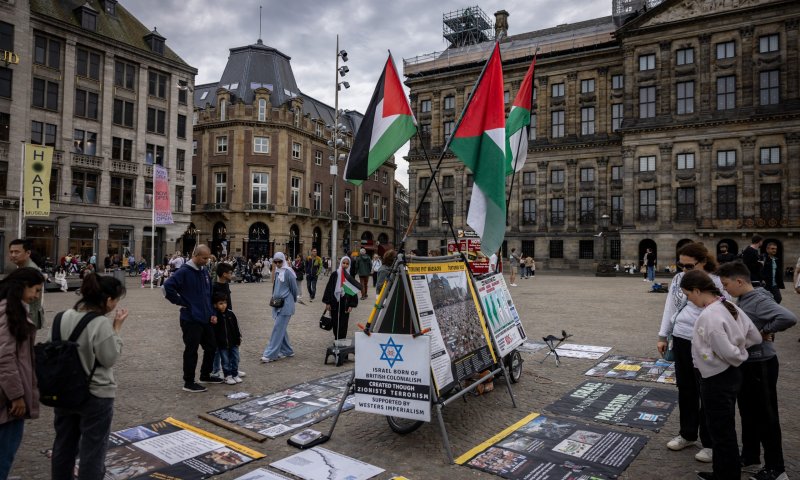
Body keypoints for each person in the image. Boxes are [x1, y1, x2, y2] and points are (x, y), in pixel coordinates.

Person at [716, 261, 795, 480]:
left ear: (739, 281)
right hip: (747, 363)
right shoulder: (743, 297)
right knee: (748, 412)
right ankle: (750, 455)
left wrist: (762, 332)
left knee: (767, 416)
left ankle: (776, 468)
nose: (725, 289)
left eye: (726, 284)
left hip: (761, 364)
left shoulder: (758, 299)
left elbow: (788, 317)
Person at [679, 269, 761, 480]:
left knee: (721, 430)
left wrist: (737, 353)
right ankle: (723, 471)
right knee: (722, 428)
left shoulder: (710, 315)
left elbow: (728, 352)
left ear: (697, 291)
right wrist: (740, 347)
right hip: (727, 375)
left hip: (717, 377)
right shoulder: (728, 305)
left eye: (688, 295)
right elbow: (755, 335)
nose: (689, 300)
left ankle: (726, 475)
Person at [50, 273, 128, 480]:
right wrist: (117, 329)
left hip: (64, 391)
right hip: (95, 393)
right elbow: (109, 358)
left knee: (63, 446)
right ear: (108, 300)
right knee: (93, 450)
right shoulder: (100, 323)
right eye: (116, 299)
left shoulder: (61, 317)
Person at [657, 242, 722, 464]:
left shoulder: (717, 281)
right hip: (682, 339)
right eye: (681, 265)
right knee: (686, 388)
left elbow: (726, 311)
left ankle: (711, 442)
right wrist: (663, 335)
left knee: (707, 391)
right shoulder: (677, 279)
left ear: (703, 262)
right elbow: (670, 307)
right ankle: (687, 434)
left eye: (689, 266)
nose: (683, 270)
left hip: (706, 342)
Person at [0, 268, 45, 478]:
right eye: (35, 290)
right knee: (4, 454)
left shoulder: (14, 308)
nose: (36, 296)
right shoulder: (7, 311)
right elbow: (5, 357)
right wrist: (16, 396)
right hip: (7, 399)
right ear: (23, 286)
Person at [162, 245, 221, 393]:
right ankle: (188, 382)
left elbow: (208, 294)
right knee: (191, 350)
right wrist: (181, 302)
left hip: (206, 317)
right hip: (191, 318)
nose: (207, 261)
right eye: (204, 258)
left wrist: (212, 312)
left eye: (208, 258)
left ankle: (205, 375)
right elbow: (167, 287)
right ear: (196, 255)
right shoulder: (184, 271)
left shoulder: (204, 271)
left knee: (211, 346)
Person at [261, 252, 297, 363]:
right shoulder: (277, 272)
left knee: (277, 328)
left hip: (286, 305)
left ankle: (270, 354)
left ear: (284, 260)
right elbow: (275, 286)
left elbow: (294, 289)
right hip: (277, 304)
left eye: (279, 261)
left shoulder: (289, 272)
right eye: (275, 261)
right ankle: (287, 351)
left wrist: (292, 300)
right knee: (281, 328)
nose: (277, 264)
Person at [322, 257, 360, 346]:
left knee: (343, 325)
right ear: (341, 263)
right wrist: (327, 302)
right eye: (344, 263)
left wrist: (351, 305)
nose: (345, 265)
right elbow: (329, 288)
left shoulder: (350, 277)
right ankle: (337, 342)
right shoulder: (335, 274)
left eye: (347, 264)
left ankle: (341, 347)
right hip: (335, 302)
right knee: (335, 324)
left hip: (345, 304)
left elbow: (353, 292)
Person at [9, 239, 45, 330]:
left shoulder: (30, 271)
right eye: (11, 252)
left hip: (26, 318)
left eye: (17, 252)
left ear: (28, 253)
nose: (13, 255)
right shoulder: (24, 268)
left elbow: (21, 297)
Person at [211, 293, 242, 385]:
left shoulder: (231, 313)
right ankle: (227, 376)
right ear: (215, 305)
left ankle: (235, 374)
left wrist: (238, 338)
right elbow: (214, 331)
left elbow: (236, 327)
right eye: (220, 303)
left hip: (233, 342)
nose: (223, 305)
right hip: (222, 344)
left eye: (225, 302)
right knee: (225, 361)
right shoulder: (215, 316)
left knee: (235, 358)